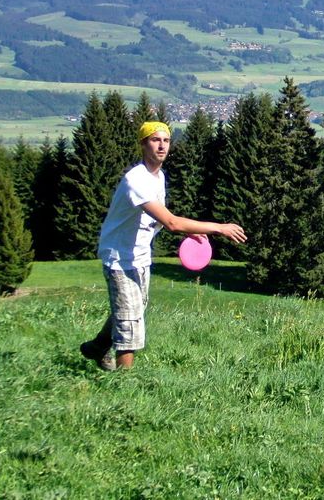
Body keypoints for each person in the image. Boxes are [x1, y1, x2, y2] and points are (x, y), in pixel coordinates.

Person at [80, 121, 247, 371]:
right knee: (130, 321)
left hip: (139, 255)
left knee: (132, 309)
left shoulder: (158, 177)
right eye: (155, 140)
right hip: (120, 257)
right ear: (143, 144)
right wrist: (218, 227)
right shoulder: (135, 179)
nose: (161, 145)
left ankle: (97, 347)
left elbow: (159, 220)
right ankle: (125, 384)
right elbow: (171, 222)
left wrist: (193, 234)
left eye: (166, 140)